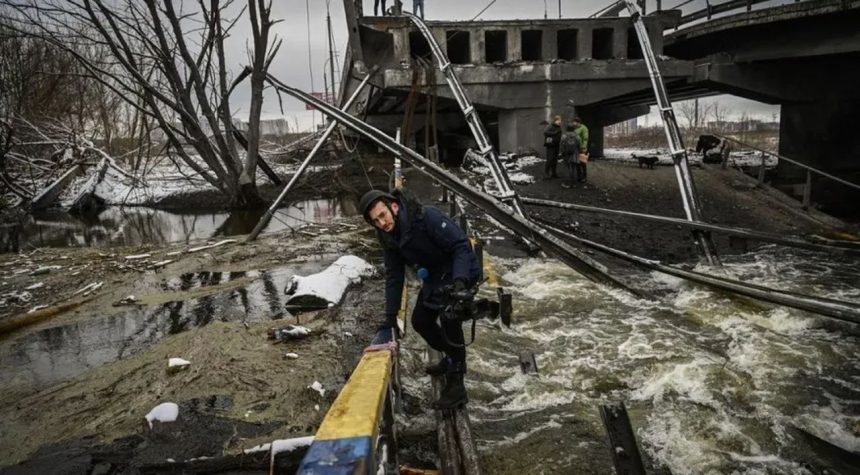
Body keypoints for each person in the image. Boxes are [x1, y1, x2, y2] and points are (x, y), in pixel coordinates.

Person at [359, 188, 482, 410]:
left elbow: (461, 246)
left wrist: (461, 282)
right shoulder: (389, 238)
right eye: (376, 221)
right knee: (420, 321)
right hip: (436, 275)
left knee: (449, 317)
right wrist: (390, 315)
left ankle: (457, 385)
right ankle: (452, 357)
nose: (382, 223)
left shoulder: (427, 217)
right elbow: (394, 276)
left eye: (383, 215)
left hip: (460, 269)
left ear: (393, 207)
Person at [559, 123, 581, 189]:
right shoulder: (577, 136)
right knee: (574, 168)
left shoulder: (564, 136)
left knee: (567, 168)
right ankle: (573, 184)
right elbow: (579, 145)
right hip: (575, 154)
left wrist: (562, 152)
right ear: (574, 129)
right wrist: (577, 151)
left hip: (566, 154)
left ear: (567, 129)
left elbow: (561, 145)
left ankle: (566, 183)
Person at [572, 116, 589, 183]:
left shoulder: (584, 128)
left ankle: (584, 177)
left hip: (581, 148)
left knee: (582, 163)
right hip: (575, 148)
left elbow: (585, 138)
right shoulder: (575, 129)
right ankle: (579, 177)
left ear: (577, 122)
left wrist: (584, 147)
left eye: (574, 122)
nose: (573, 123)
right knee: (577, 163)